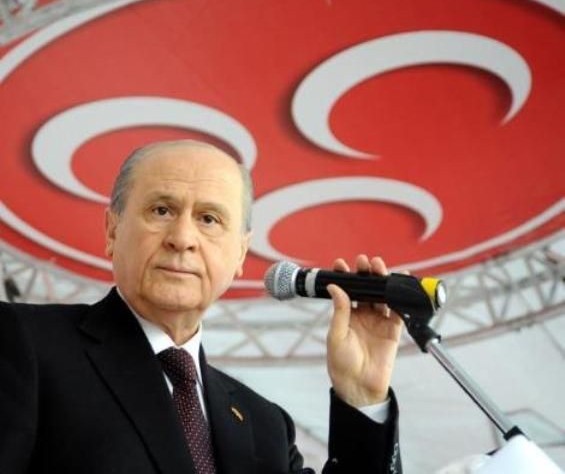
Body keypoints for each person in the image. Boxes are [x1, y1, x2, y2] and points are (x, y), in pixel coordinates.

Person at [0, 140, 404, 473]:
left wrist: (362, 396)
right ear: (112, 229)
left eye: (209, 219)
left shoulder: (264, 425)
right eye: (161, 210)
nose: (182, 238)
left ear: (241, 253)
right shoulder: (25, 343)